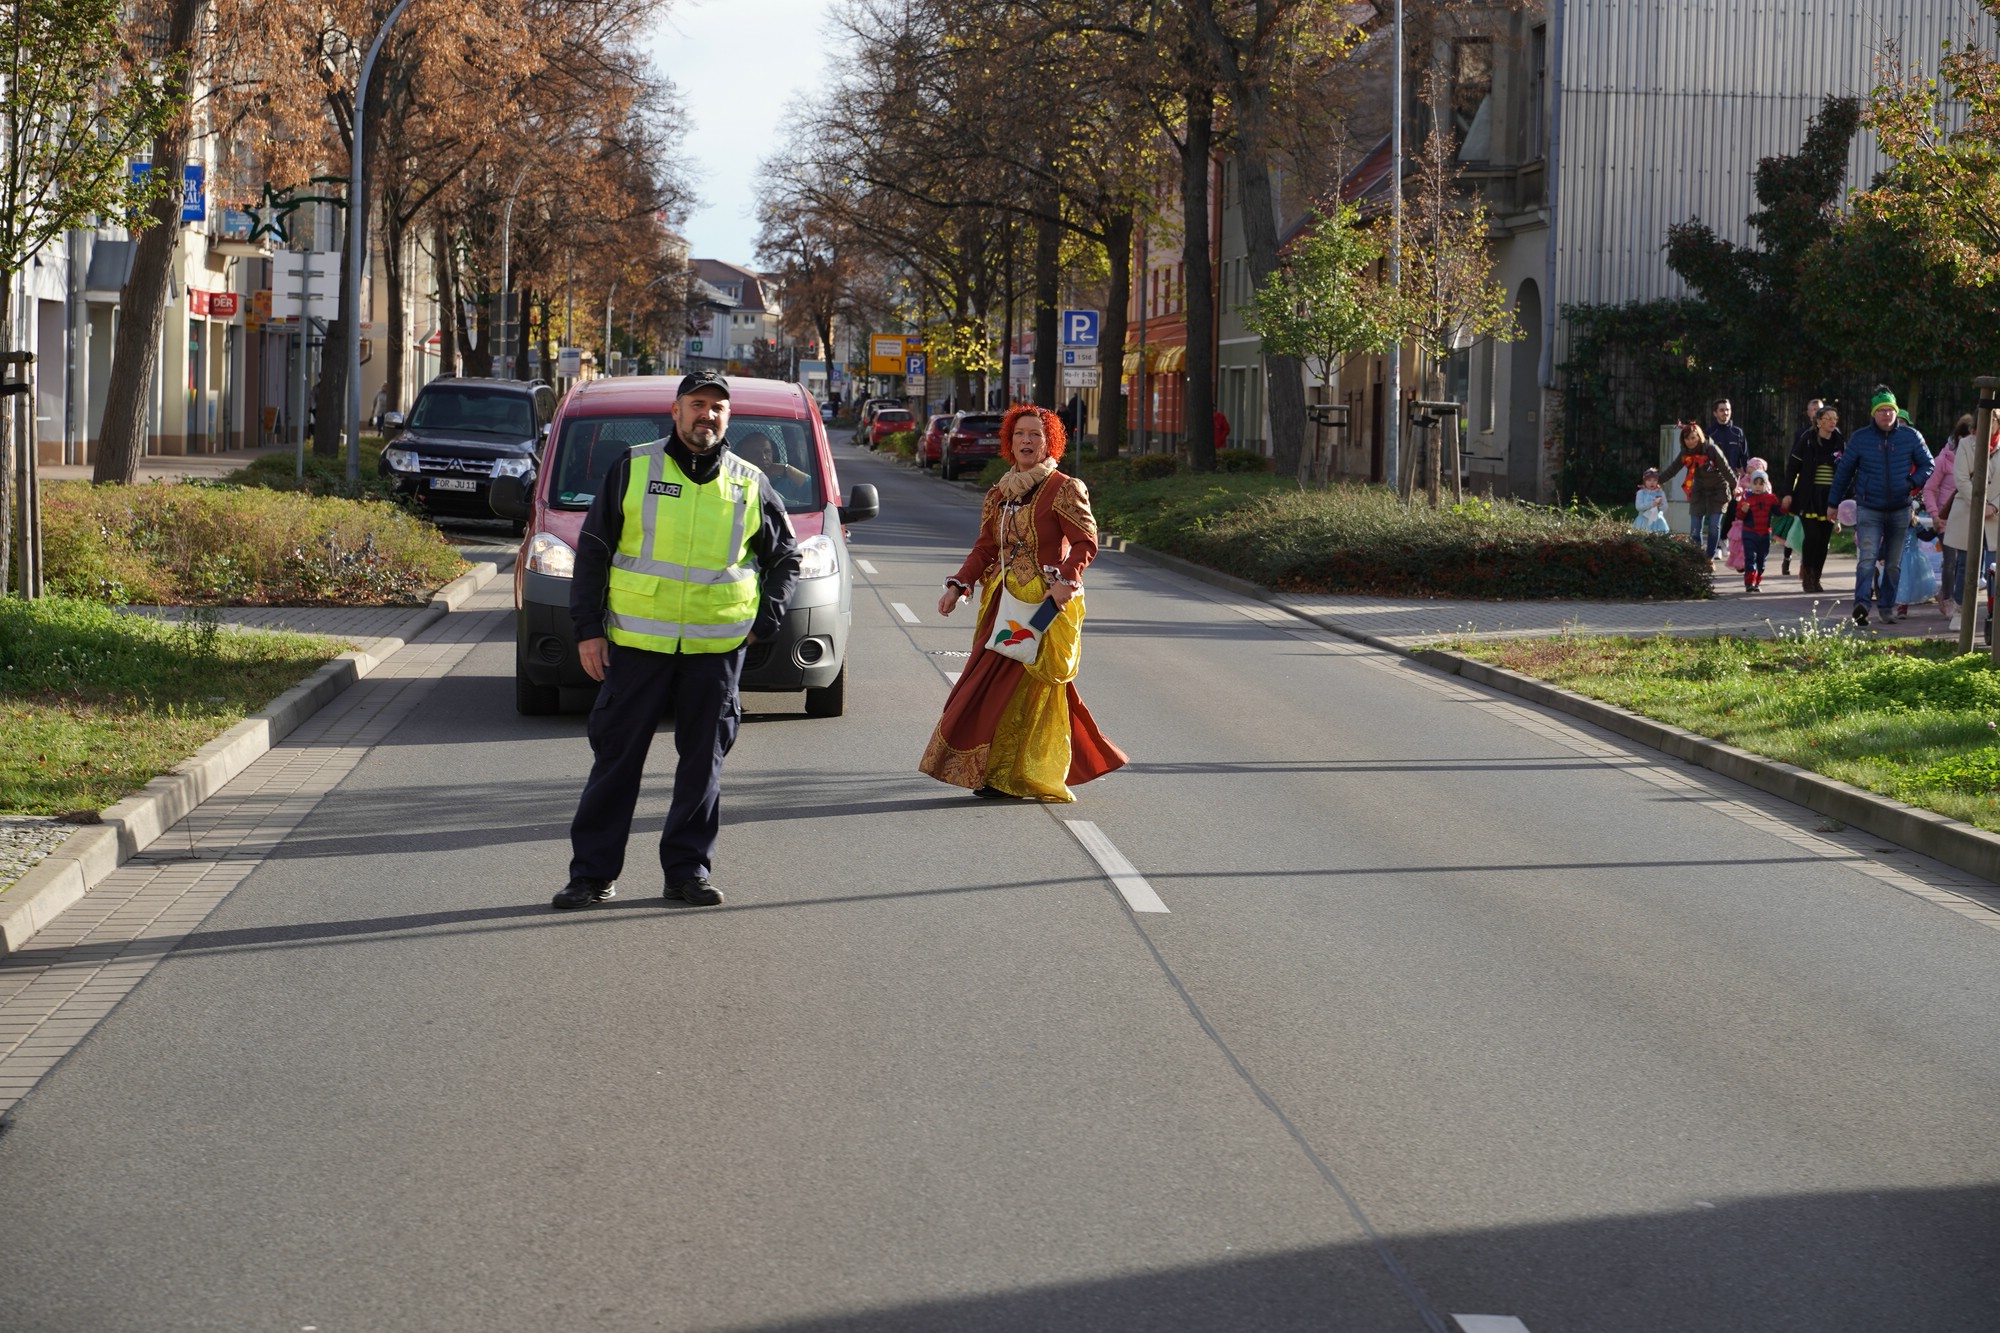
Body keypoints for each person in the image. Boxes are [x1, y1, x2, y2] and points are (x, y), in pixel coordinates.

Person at [551, 371, 802, 910]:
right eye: (697, 404)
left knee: (702, 768)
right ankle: (592, 876)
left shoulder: (749, 481)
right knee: (616, 763)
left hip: (715, 651)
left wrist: (765, 621)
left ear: (728, 417)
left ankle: (687, 873)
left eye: (717, 407)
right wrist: (588, 631)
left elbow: (786, 557)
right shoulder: (634, 467)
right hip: (637, 646)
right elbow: (593, 550)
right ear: (676, 410)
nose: (706, 415)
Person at [920, 404, 1127, 801]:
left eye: (1036, 434)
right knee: (987, 686)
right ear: (1009, 442)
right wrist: (958, 585)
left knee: (1026, 688)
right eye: (1019, 434)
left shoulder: (1064, 487)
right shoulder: (999, 492)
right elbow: (985, 547)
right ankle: (994, 770)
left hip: (1043, 606)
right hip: (1002, 604)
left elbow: (1085, 542)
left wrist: (1067, 579)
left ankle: (1015, 774)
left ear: (1050, 443)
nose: (1027, 441)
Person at [1828, 388, 1935, 626]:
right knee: (1867, 559)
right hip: (1869, 507)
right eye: (1881, 410)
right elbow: (1844, 471)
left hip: (1900, 508)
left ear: (1896, 412)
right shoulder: (1860, 438)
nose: (1886, 414)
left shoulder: (1911, 436)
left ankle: (1887, 607)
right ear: (1873, 414)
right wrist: (1833, 503)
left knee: (1894, 564)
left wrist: (1911, 483)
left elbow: (1928, 464)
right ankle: (1861, 605)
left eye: (1890, 410)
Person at [1782, 404, 1843, 593]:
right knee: (1813, 536)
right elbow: (1792, 468)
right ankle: (1807, 576)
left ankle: (1817, 578)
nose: (1832, 422)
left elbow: (1847, 469)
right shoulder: (1807, 440)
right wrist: (1787, 493)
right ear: (1818, 422)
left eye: (1835, 419)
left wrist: (1846, 497)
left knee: (1824, 540)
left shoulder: (1840, 442)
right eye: (1828, 418)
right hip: (1809, 496)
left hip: (1829, 498)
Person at [1948, 418, 2000, 635]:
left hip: (1995, 515)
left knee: (1994, 567)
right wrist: (1979, 504)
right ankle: (1960, 610)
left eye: (1995, 419)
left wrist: (1994, 506)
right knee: (1965, 565)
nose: (1991, 422)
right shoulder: (1966, 444)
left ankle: (1994, 614)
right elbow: (1961, 478)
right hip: (1969, 511)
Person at [1660, 422, 1737, 560]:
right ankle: (1698, 558)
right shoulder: (1685, 453)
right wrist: (1656, 481)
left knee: (1714, 525)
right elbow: (1673, 469)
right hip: (1699, 490)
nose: (1690, 442)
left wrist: (1735, 486)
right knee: (1695, 528)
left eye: (1693, 438)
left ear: (1699, 437)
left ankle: (1709, 557)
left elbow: (1726, 469)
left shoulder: (1712, 449)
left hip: (1718, 489)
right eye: (1687, 439)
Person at [1925, 414, 1971, 624]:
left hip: (1966, 519)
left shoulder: (1978, 460)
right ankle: (1949, 599)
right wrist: (1935, 515)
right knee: (1951, 561)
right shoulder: (1943, 460)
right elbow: (1929, 489)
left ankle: (1952, 596)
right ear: (1960, 437)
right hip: (1945, 520)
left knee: (1963, 562)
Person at [1781, 399, 1824, 575]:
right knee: (1796, 526)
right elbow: (1794, 462)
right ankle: (1787, 558)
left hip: (1821, 490)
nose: (1816, 412)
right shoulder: (1803, 434)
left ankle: (1805, 566)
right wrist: (1789, 491)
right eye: (1813, 409)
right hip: (1803, 486)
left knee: (1814, 533)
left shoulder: (1833, 435)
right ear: (1808, 413)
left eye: (1819, 409)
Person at [1707, 397, 1749, 544]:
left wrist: (1745, 472)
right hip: (1715, 479)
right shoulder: (1710, 433)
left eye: (1728, 410)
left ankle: (1723, 539)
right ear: (1715, 413)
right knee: (1716, 513)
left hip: (1734, 479)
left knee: (1733, 509)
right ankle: (1714, 543)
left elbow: (1744, 456)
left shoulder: (1738, 433)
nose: (1725, 413)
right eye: (1722, 410)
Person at [1736, 470, 1780, 591]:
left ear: (1766, 485)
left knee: (1761, 560)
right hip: (1749, 533)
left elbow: (1779, 512)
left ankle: (1757, 582)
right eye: (1755, 483)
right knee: (1750, 558)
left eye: (1761, 484)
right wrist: (1743, 511)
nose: (1758, 486)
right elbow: (1739, 516)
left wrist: (1786, 506)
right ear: (1751, 484)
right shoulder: (1746, 498)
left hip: (1765, 535)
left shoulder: (1771, 498)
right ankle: (1749, 583)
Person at [1634, 466, 1669, 533]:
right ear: (1645, 481)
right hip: (1643, 521)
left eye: (1654, 480)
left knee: (1658, 536)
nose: (1652, 483)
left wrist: (1660, 504)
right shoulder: (1641, 493)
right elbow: (1638, 507)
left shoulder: (1660, 492)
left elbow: (1665, 507)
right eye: (1649, 480)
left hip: (1657, 521)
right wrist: (1652, 504)